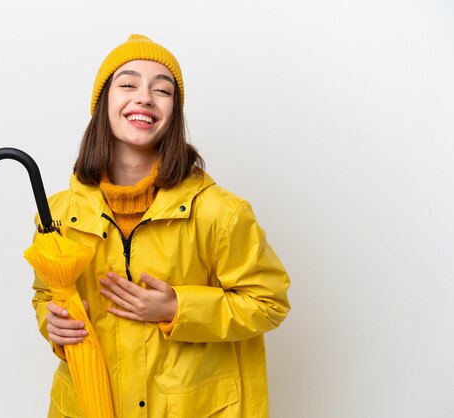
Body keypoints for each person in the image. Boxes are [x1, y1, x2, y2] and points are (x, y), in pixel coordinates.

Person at [32, 34, 291, 418]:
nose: (144, 97)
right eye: (128, 84)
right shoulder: (55, 214)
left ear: (174, 112)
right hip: (87, 405)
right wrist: (52, 324)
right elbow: (44, 295)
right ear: (103, 103)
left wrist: (177, 307)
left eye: (162, 90)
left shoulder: (220, 212)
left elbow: (269, 302)